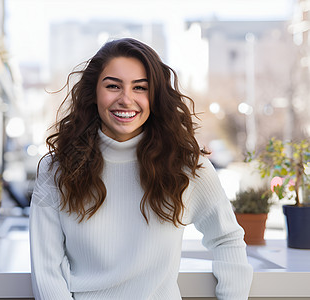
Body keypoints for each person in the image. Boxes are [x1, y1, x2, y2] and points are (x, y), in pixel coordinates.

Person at [29, 37, 253, 300]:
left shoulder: (186, 166)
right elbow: (47, 269)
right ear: (94, 92)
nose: (126, 99)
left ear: (155, 96)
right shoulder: (57, 169)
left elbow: (227, 239)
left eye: (140, 88)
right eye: (113, 86)